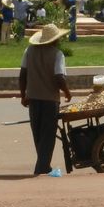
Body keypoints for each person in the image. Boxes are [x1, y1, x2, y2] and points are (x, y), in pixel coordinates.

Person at [18, 23, 72, 176]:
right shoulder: (57, 54)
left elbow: (22, 76)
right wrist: (67, 92)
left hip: (33, 99)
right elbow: (59, 78)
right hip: (50, 100)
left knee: (38, 135)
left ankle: (44, 166)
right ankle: (42, 168)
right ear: (55, 40)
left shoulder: (29, 51)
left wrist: (23, 96)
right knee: (47, 136)